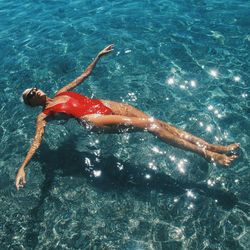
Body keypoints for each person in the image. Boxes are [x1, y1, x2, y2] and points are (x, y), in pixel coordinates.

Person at [16, 44, 240, 190]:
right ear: (31, 103)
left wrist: (98, 56)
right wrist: (22, 167)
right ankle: (206, 155)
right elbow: (36, 143)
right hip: (92, 118)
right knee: (151, 126)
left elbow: (84, 74)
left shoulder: (61, 92)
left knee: (159, 122)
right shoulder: (44, 116)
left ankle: (211, 146)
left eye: (34, 88)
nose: (36, 91)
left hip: (102, 104)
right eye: (31, 95)